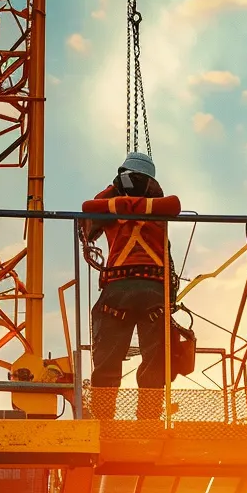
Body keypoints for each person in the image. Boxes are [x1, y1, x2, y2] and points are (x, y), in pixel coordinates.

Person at [82, 151, 181, 419]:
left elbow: (88, 210)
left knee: (108, 361)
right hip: (153, 293)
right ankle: (147, 421)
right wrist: (138, 197)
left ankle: (104, 422)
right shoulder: (160, 211)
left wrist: (116, 191)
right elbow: (173, 204)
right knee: (155, 361)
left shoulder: (112, 210)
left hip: (119, 290)